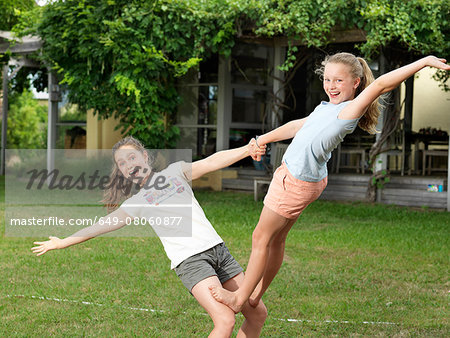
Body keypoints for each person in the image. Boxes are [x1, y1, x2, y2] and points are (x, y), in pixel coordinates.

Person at [209, 54, 450, 313]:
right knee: (277, 240)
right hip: (301, 179)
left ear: (356, 83)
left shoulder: (349, 110)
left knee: (261, 237)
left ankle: (240, 298)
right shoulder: (327, 108)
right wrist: (261, 139)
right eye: (327, 79)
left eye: (338, 80)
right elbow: (296, 126)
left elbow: (381, 84)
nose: (331, 85)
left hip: (296, 182)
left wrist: (423, 62)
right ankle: (255, 295)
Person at [32, 136, 267, 338]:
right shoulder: (137, 202)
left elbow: (211, 161)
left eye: (131, 157)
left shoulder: (176, 172)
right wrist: (62, 242)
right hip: (192, 262)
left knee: (257, 314)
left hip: (218, 250)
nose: (128, 165)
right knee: (225, 320)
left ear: (144, 156)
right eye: (122, 163)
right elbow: (100, 226)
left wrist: (247, 149)